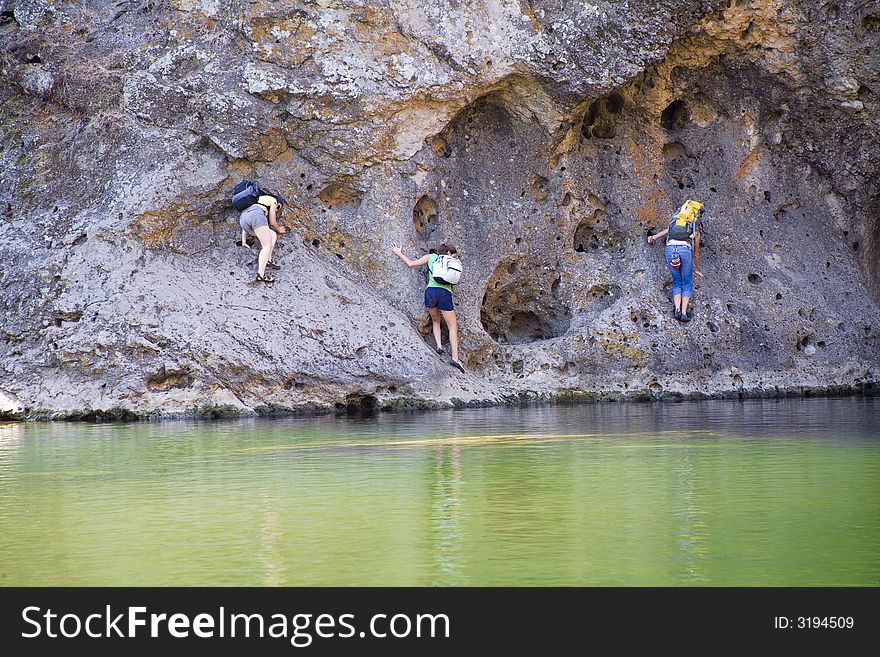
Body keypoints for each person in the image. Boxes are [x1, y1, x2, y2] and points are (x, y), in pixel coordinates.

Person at [391, 242, 466, 373]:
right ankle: (455, 359)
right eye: (454, 255)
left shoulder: (431, 257)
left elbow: (411, 264)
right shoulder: (450, 260)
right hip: (444, 293)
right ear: (449, 253)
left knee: (435, 320)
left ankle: (439, 346)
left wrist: (399, 253)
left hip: (430, 292)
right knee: (452, 326)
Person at [647, 199, 704, 322]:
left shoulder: (675, 223)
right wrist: (696, 269)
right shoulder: (694, 230)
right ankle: (683, 313)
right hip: (685, 251)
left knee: (677, 281)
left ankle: (677, 309)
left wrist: (652, 238)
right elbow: (696, 253)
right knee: (687, 282)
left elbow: (665, 232)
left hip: (670, 250)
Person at [240, 194, 282, 283]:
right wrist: (279, 229)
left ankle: (269, 259)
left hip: (243, 219)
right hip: (256, 216)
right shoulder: (273, 200)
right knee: (266, 245)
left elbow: (247, 222)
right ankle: (261, 274)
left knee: (272, 235)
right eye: (278, 207)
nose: (277, 209)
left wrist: (244, 241)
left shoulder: (257, 201)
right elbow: (272, 222)